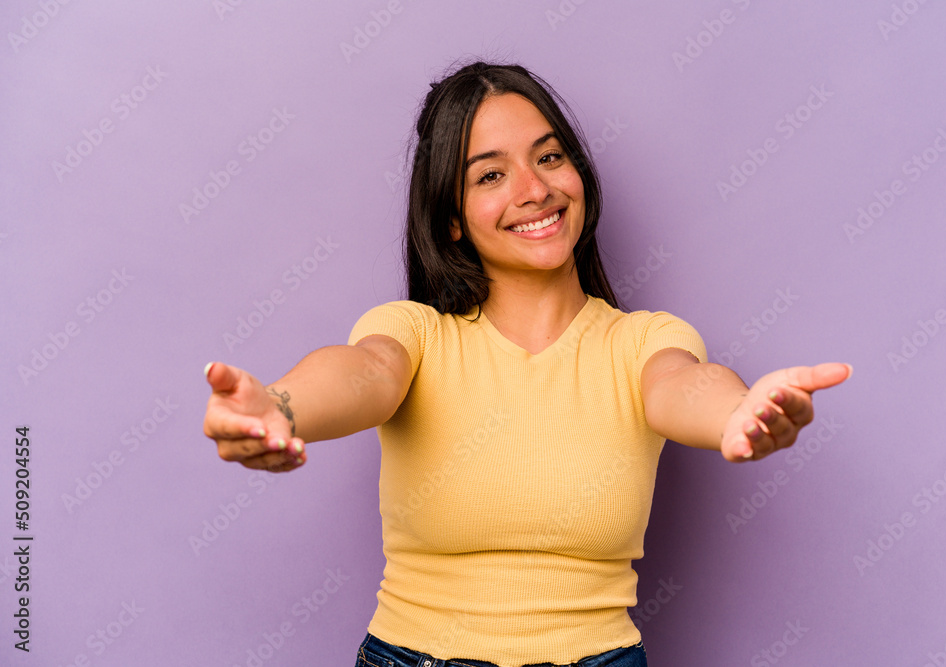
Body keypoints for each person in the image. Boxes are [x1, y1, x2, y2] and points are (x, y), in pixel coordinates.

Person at [202, 61, 851, 667]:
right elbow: (363, 372)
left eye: (549, 157)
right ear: (451, 218)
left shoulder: (641, 343)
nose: (535, 189)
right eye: (491, 174)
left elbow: (683, 384)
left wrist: (738, 410)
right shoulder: (417, 336)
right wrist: (280, 405)